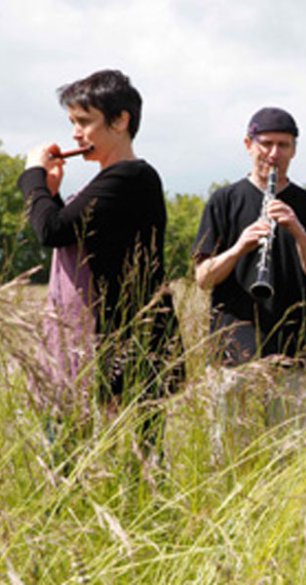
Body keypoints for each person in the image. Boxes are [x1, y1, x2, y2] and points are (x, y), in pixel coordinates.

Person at [18, 69, 183, 453]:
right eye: (72, 122)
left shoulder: (130, 177)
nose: (76, 133)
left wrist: (32, 177)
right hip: (97, 344)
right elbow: (74, 236)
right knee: (79, 457)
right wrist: (53, 194)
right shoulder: (108, 181)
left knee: (131, 465)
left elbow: (52, 232)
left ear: (121, 120)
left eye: (84, 121)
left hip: (125, 346)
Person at [192, 107, 306, 461]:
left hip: (292, 345)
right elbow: (202, 278)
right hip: (234, 346)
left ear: (294, 149)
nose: (274, 154)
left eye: (283, 145)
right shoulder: (224, 200)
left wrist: (298, 231)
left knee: (290, 455)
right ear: (248, 144)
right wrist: (240, 246)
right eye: (266, 144)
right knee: (230, 453)